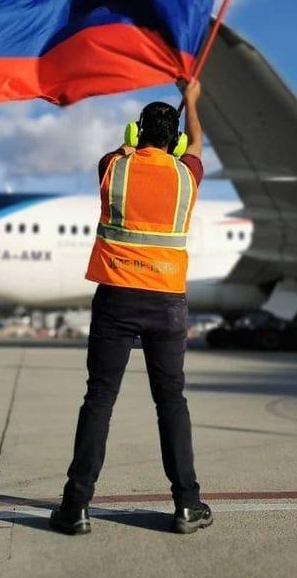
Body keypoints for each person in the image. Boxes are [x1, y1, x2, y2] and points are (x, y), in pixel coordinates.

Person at [50, 78, 212, 536]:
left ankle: (76, 507)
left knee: (100, 399)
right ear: (173, 142)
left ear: (135, 132)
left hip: (116, 297)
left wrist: (129, 144)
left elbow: (117, 155)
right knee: (171, 402)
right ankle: (187, 505)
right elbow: (196, 144)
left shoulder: (113, 167)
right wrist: (192, 102)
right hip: (167, 302)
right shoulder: (187, 176)